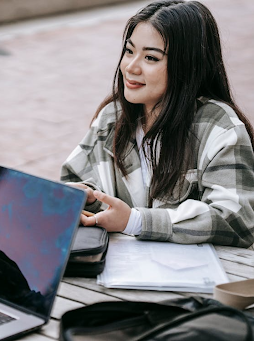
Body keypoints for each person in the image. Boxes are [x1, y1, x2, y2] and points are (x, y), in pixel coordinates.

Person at [61, 0, 254, 248]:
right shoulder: (112, 117)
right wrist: (85, 198)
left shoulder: (219, 126)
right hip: (114, 272)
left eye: (151, 57)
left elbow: (237, 219)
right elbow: (79, 178)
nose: (130, 67)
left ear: (187, 66)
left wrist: (136, 221)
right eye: (129, 51)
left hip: (196, 279)